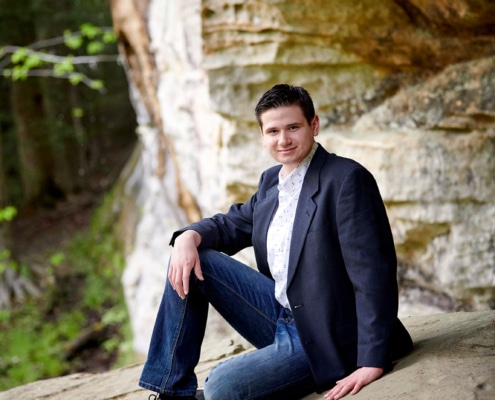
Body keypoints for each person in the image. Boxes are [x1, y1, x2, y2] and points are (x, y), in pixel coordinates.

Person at [139, 84, 413, 400]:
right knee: (193, 256)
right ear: (262, 136)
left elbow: (373, 276)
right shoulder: (272, 180)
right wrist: (187, 236)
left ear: (314, 125)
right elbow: (231, 224)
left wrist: (371, 361)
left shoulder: (346, 180)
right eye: (273, 131)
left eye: (293, 127)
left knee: (221, 387)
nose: (283, 140)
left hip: (330, 337)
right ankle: (170, 392)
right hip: (280, 314)